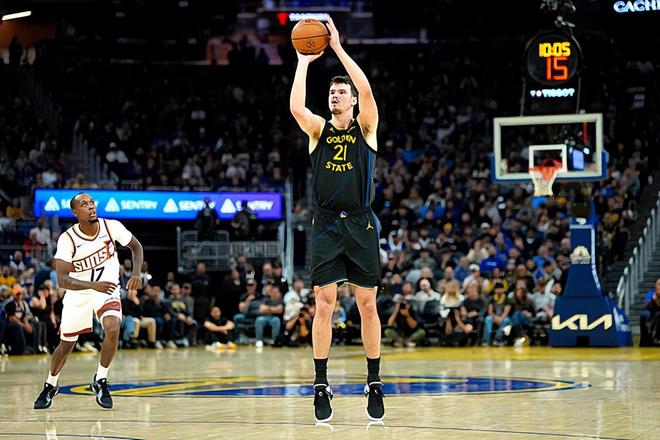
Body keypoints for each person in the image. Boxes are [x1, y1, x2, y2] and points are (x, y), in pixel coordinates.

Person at [290, 15, 384, 422]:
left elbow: (367, 89)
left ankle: (374, 381)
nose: (335, 95)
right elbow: (296, 107)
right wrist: (303, 60)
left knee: (367, 305)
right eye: (332, 92)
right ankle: (320, 383)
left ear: (352, 101)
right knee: (323, 304)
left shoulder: (366, 127)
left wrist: (338, 48)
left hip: (361, 224)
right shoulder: (318, 132)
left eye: (341, 92)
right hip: (327, 224)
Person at [34, 193, 143, 410]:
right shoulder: (68, 239)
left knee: (113, 327)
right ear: (75, 212)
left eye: (92, 202)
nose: (91, 206)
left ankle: (100, 379)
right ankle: (51, 384)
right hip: (79, 293)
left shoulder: (111, 227)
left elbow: (136, 247)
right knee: (66, 344)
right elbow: (62, 279)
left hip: (107, 289)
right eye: (84, 204)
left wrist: (136, 273)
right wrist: (93, 285)